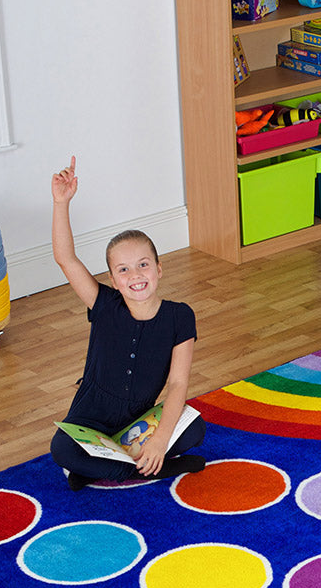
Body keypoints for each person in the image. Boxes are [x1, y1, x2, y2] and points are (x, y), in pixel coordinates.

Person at [49, 156, 207, 491]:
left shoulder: (180, 316)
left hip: (138, 425)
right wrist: (61, 203)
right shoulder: (103, 303)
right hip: (90, 420)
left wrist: (160, 439)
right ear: (113, 279)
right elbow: (65, 258)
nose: (135, 275)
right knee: (61, 448)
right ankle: (145, 470)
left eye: (143, 265)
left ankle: (102, 468)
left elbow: (178, 383)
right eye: (123, 270)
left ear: (159, 269)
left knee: (194, 428)